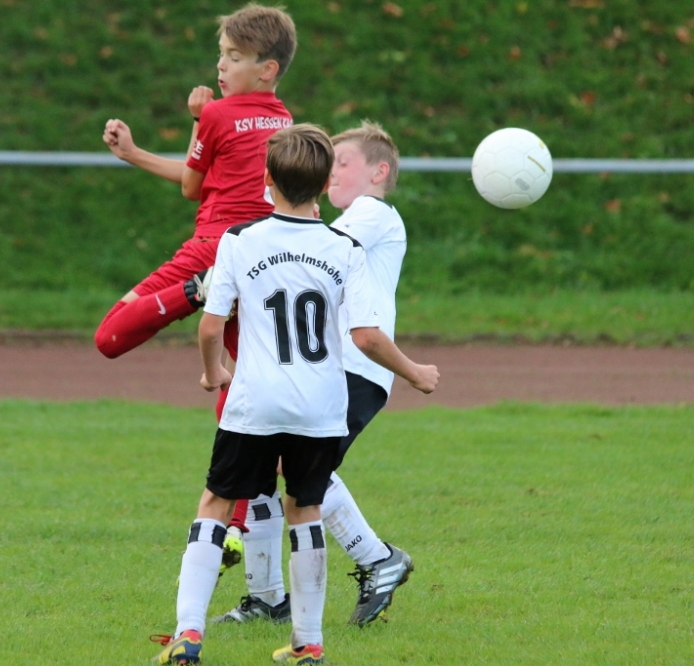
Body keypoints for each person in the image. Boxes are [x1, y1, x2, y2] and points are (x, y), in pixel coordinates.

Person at [151, 124, 439, 665]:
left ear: (265, 178)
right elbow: (365, 334)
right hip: (320, 403)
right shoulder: (341, 247)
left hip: (261, 398)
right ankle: (305, 639)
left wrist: (214, 373)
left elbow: (212, 326)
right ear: (323, 182)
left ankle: (189, 634)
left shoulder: (244, 239)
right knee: (303, 509)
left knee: (216, 503)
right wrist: (414, 373)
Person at [215, 121, 418, 628]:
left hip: (354, 367)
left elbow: (305, 249)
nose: (333, 173)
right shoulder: (343, 222)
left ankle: (377, 558)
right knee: (268, 470)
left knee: (303, 475)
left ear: (379, 172)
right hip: (318, 367)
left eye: (343, 162)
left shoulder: (373, 213)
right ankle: (266, 597)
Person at [95, 4, 296, 360]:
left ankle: (198, 288)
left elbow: (191, 187)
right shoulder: (284, 120)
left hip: (214, 247)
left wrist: (197, 120)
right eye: (221, 53)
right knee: (246, 367)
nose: (221, 65)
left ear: (267, 70)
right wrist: (135, 153)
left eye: (234, 57)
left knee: (110, 335)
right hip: (263, 253)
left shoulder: (217, 113)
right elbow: (209, 177)